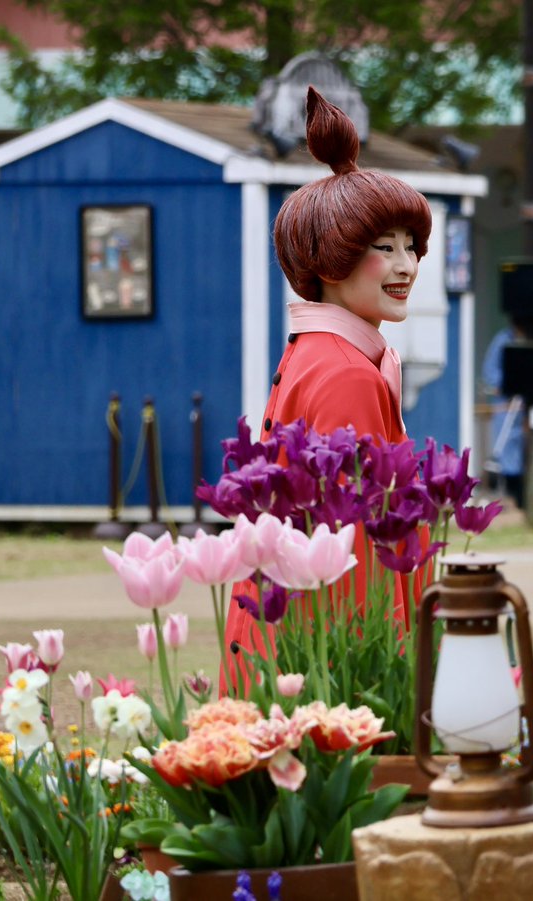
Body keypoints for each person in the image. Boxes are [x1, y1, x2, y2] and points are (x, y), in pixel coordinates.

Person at [223, 86, 432, 690]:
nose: (407, 266)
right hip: (327, 654)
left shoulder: (322, 352)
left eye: (411, 248)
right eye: (384, 249)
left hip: (286, 631)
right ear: (331, 258)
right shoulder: (346, 372)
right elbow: (358, 537)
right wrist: (391, 666)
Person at [480, 324, 524, 509]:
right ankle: (503, 495)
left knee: (524, 447)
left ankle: (522, 495)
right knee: (503, 446)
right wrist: (507, 384)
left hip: (526, 402)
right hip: (506, 402)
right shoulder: (504, 339)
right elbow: (490, 371)